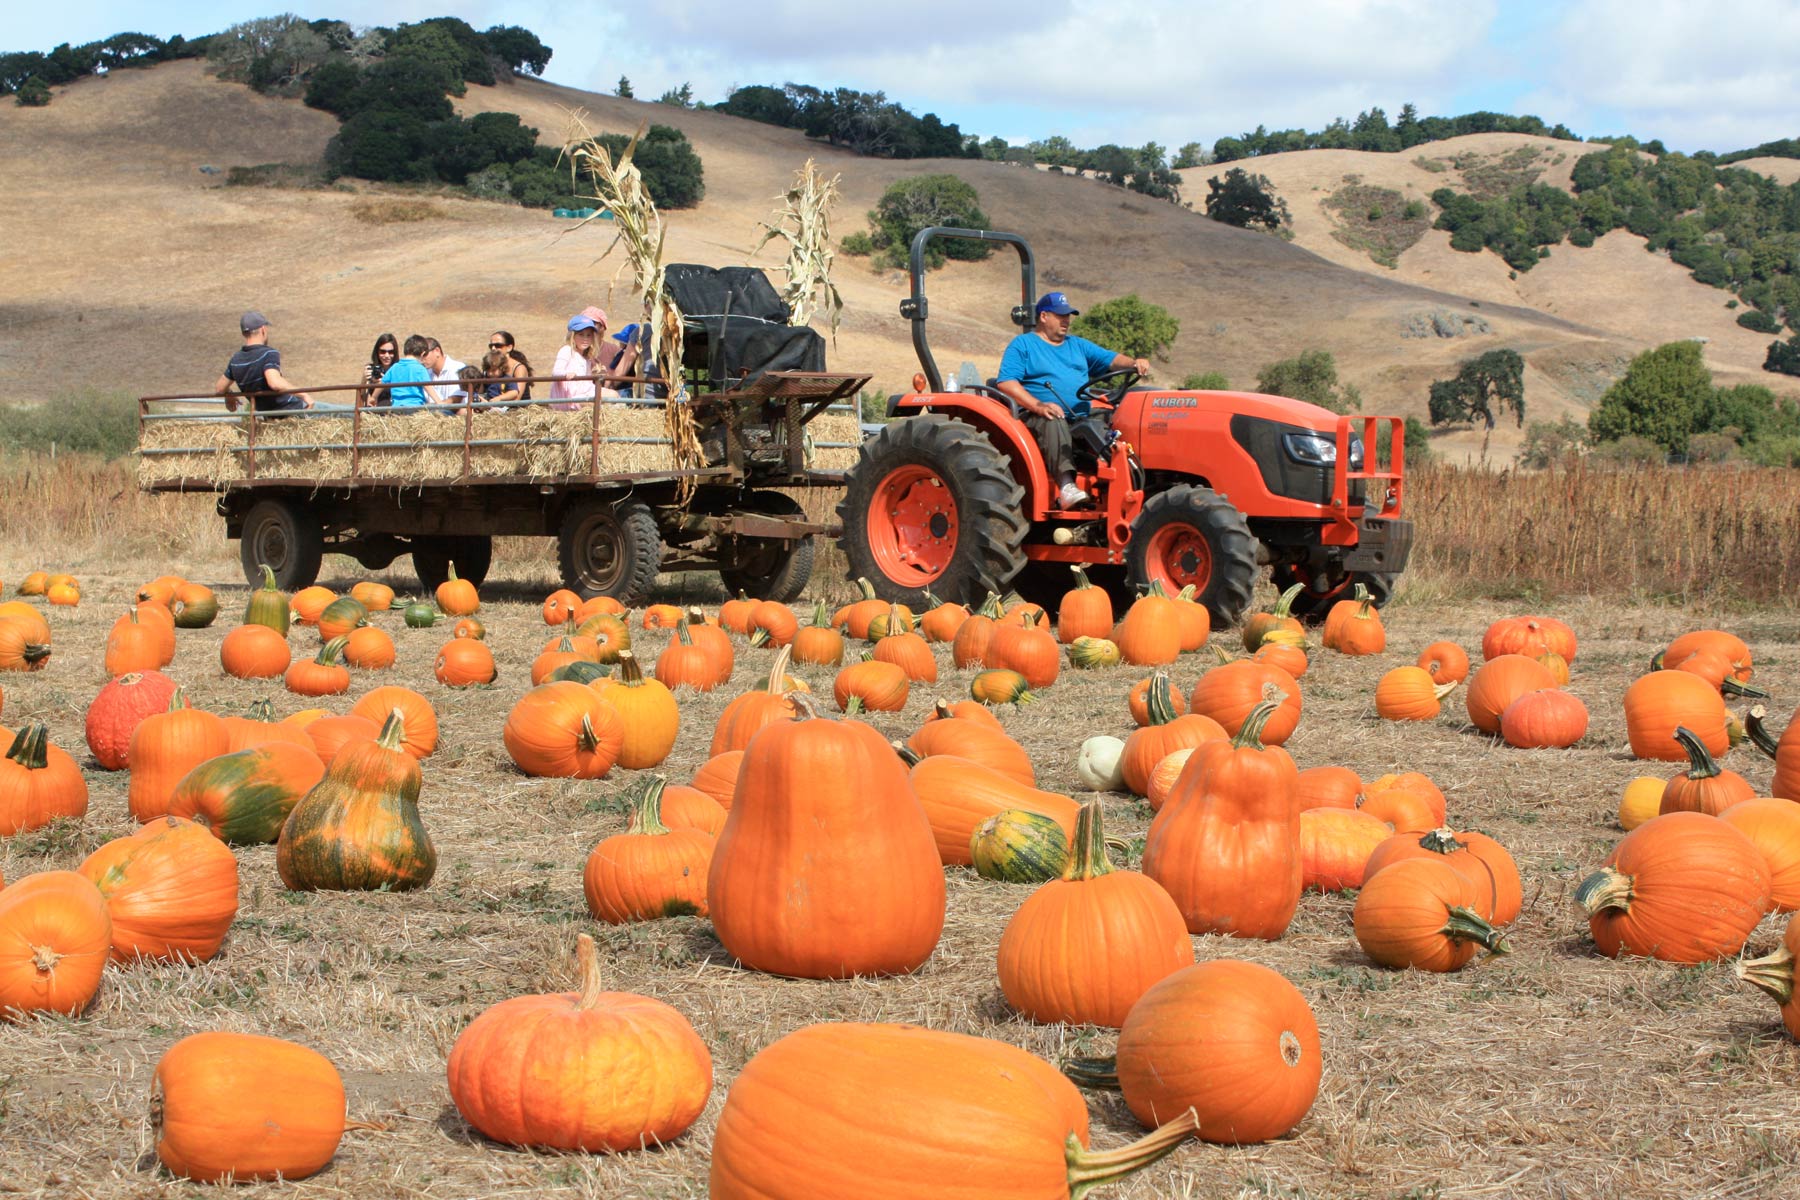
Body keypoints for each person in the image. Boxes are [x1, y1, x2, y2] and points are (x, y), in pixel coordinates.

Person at [995, 292, 1151, 508]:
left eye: (1068, 316)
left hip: (1079, 416)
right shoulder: (1023, 344)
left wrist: (1133, 363)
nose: (1066, 320)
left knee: (1117, 417)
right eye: (1060, 316)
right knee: (1054, 416)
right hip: (1036, 417)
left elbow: (1111, 359)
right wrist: (1038, 405)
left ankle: (1133, 477)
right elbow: (1006, 382)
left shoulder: (1077, 345)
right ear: (1044, 316)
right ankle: (1067, 486)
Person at [215, 311, 312, 413]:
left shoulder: (236, 360)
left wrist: (229, 395)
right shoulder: (268, 353)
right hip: (290, 410)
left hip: (267, 415)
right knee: (325, 409)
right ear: (263, 329)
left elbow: (219, 388)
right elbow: (274, 383)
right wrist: (303, 394)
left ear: (243, 334)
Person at [550, 313, 619, 409]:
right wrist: (566, 374)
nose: (585, 339)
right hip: (570, 397)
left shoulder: (587, 358)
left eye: (589, 335)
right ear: (572, 336)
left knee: (614, 395)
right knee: (594, 405)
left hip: (585, 392)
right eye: (581, 335)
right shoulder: (567, 350)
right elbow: (556, 372)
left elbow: (587, 382)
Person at [379, 335, 435, 409]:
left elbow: (382, 383)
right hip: (415, 408)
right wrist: (439, 402)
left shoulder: (394, 367)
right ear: (422, 354)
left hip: (396, 408)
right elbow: (428, 387)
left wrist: (373, 398)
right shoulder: (420, 369)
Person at [481, 330, 532, 406]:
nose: (493, 348)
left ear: (509, 347)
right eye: (491, 346)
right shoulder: (489, 367)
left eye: (498, 345)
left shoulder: (518, 368)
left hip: (517, 411)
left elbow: (516, 398)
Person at [421, 337, 467, 406]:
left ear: (437, 351)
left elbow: (457, 398)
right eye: (419, 355)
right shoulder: (424, 373)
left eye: (425, 354)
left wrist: (439, 406)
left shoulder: (457, 368)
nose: (422, 359)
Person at [358, 333, 399, 406]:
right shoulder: (371, 369)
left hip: (390, 411)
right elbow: (361, 397)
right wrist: (364, 380)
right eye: (382, 352)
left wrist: (384, 383)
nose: (387, 356)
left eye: (390, 352)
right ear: (377, 352)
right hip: (371, 412)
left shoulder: (398, 369)